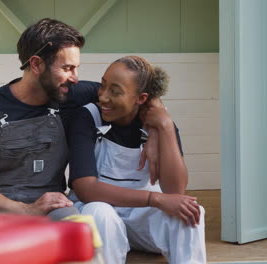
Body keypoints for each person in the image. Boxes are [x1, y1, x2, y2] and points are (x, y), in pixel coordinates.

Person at [0, 18, 100, 221]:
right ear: (36, 64)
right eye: (67, 68)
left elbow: (128, 92)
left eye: (76, 68)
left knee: (77, 228)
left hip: (51, 208)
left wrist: (154, 119)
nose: (75, 77)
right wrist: (25, 209)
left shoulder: (71, 94)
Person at [67, 56, 206, 263]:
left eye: (115, 92)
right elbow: (86, 190)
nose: (103, 97)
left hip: (138, 213)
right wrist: (155, 199)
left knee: (192, 211)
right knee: (101, 212)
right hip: (96, 211)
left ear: (141, 99)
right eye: (103, 86)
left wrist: (165, 126)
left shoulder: (157, 123)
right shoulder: (87, 117)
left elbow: (175, 191)